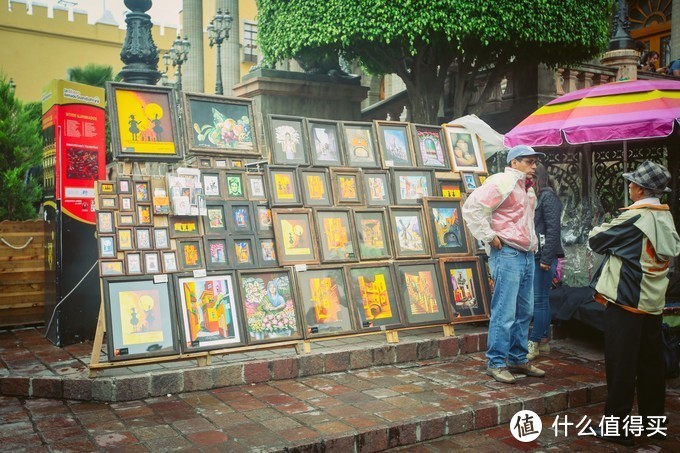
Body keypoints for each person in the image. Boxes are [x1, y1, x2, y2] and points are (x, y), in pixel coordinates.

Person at [588, 160, 680, 446]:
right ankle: (653, 423)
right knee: (651, 366)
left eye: (631, 182)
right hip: (652, 302)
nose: (628, 185)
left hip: (626, 301)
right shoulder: (665, 216)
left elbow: (596, 239)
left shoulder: (636, 217)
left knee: (622, 365)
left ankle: (617, 426)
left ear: (640, 189)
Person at [462, 145, 546, 384]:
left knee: (524, 310)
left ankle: (517, 358)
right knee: (505, 311)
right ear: (515, 162)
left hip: (526, 253)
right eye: (529, 162)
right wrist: (489, 236)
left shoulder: (527, 190)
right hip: (508, 252)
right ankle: (496, 362)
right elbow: (472, 208)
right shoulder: (502, 181)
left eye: (535, 163)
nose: (533, 167)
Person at [527, 164, 564, 360]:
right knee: (542, 300)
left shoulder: (548, 197)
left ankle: (533, 342)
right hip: (540, 255)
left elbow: (553, 230)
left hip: (543, 257)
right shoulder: (539, 196)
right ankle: (543, 341)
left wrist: (546, 258)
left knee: (539, 301)